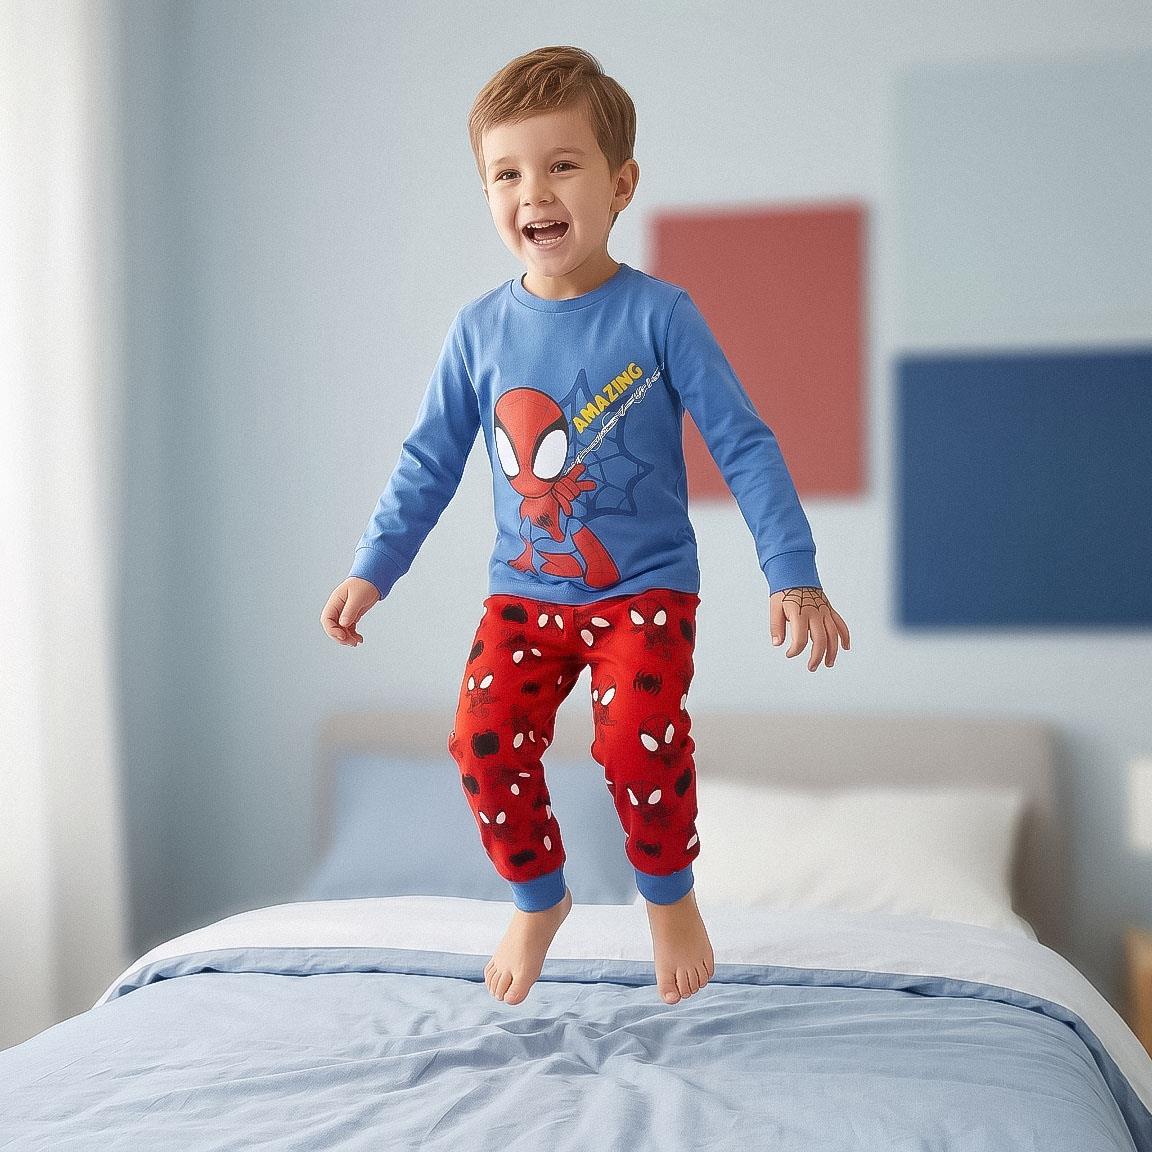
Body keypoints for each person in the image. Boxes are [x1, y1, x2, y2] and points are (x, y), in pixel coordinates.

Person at [321, 45, 851, 1008]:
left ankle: (669, 898)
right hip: (525, 597)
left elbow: (744, 443)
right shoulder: (478, 333)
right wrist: (373, 568)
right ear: (489, 193)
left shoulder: (661, 317)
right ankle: (539, 897)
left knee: (637, 739)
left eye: (562, 165)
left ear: (621, 184)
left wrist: (793, 571)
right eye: (507, 173)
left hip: (643, 591)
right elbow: (429, 462)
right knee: (481, 740)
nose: (534, 191)